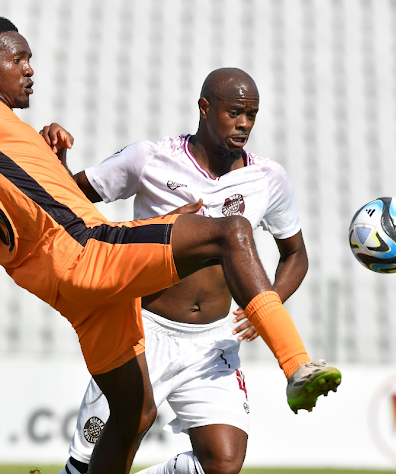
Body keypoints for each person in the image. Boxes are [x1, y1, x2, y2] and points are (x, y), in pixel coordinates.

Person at [0, 17, 339, 474]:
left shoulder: (13, 129)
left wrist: (53, 159)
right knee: (230, 231)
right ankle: (297, 365)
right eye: (19, 59)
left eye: (30, 60)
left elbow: (48, 198)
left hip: (85, 296)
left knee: (135, 416)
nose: (29, 70)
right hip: (91, 254)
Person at [49, 67, 338, 474]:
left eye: (252, 115)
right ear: (205, 107)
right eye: (235, 112)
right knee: (86, 465)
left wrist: (266, 304)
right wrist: (55, 157)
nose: (244, 124)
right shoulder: (150, 158)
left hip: (212, 343)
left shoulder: (268, 179)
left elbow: (296, 255)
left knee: (222, 463)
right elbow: (68, 201)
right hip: (140, 331)